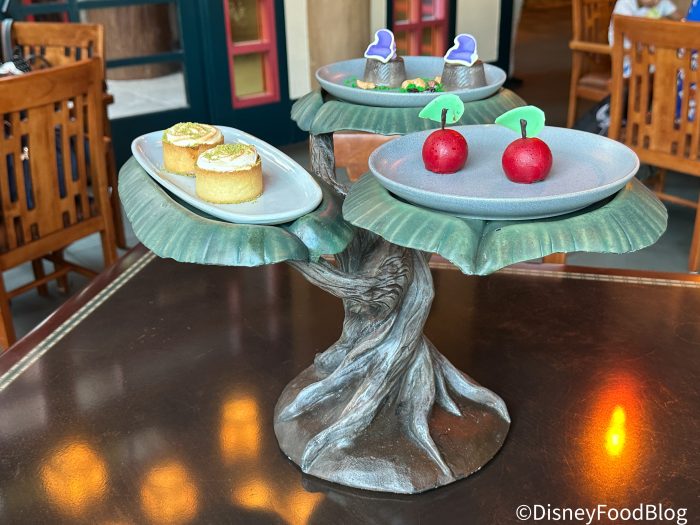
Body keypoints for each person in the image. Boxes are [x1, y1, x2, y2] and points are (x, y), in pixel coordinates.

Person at [608, 0, 683, 45]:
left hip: (649, 53)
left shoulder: (661, 2)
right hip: (625, 53)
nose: (656, 1)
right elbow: (630, 29)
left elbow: (680, 19)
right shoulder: (625, 4)